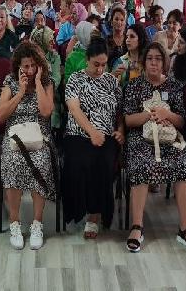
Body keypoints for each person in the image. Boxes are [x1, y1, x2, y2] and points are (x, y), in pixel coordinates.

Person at [123, 42, 186, 254]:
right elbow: (128, 120)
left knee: (182, 164)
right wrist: (150, 115)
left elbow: (182, 121)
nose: (153, 63)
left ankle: (185, 229)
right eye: (150, 59)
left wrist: (166, 114)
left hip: (168, 136)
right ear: (144, 62)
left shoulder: (173, 86)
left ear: (164, 63)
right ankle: (137, 226)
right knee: (141, 163)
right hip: (141, 136)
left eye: (158, 59)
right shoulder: (134, 85)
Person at [63, 37, 125, 238]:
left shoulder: (111, 81)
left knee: (104, 161)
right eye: (95, 64)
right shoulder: (75, 79)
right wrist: (92, 132)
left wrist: (121, 130)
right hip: (78, 133)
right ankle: (78, 209)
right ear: (87, 60)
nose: (100, 69)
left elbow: (120, 111)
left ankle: (95, 215)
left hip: (106, 134)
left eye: (103, 65)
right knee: (78, 161)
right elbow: (74, 108)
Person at [0, 42, 56, 250]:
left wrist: (37, 82)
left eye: (33, 66)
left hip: (39, 133)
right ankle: (14, 222)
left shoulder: (47, 82)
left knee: (41, 160)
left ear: (39, 65)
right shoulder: (10, 82)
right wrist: (20, 92)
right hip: (15, 133)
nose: (30, 71)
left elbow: (46, 112)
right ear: (18, 67)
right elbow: (1, 115)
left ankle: (37, 223)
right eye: (26, 67)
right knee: (12, 161)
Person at [30, 26, 63, 128]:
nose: (53, 43)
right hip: (31, 92)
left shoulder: (54, 56)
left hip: (50, 92)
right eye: (50, 40)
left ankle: (51, 131)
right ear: (41, 41)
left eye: (53, 39)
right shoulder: (29, 57)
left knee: (51, 109)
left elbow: (56, 78)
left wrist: (45, 89)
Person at [112, 23, 148, 88]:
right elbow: (112, 86)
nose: (127, 40)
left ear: (140, 39)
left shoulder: (148, 60)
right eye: (127, 37)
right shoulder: (120, 61)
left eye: (132, 36)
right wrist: (114, 75)